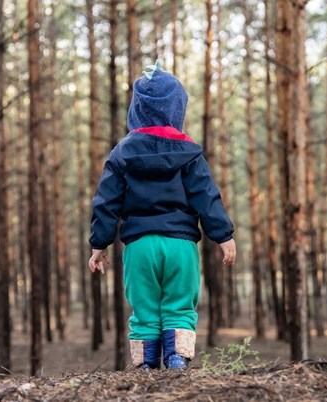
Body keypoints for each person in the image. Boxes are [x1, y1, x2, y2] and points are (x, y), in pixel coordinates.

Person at [88, 61, 236, 370]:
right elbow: (205, 195)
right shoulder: (190, 152)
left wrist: (99, 243)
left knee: (144, 310)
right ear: (177, 109)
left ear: (137, 110)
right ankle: (176, 358)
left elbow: (106, 201)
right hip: (180, 246)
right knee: (179, 306)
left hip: (139, 246)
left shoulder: (121, 153)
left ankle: (145, 366)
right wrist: (223, 235)